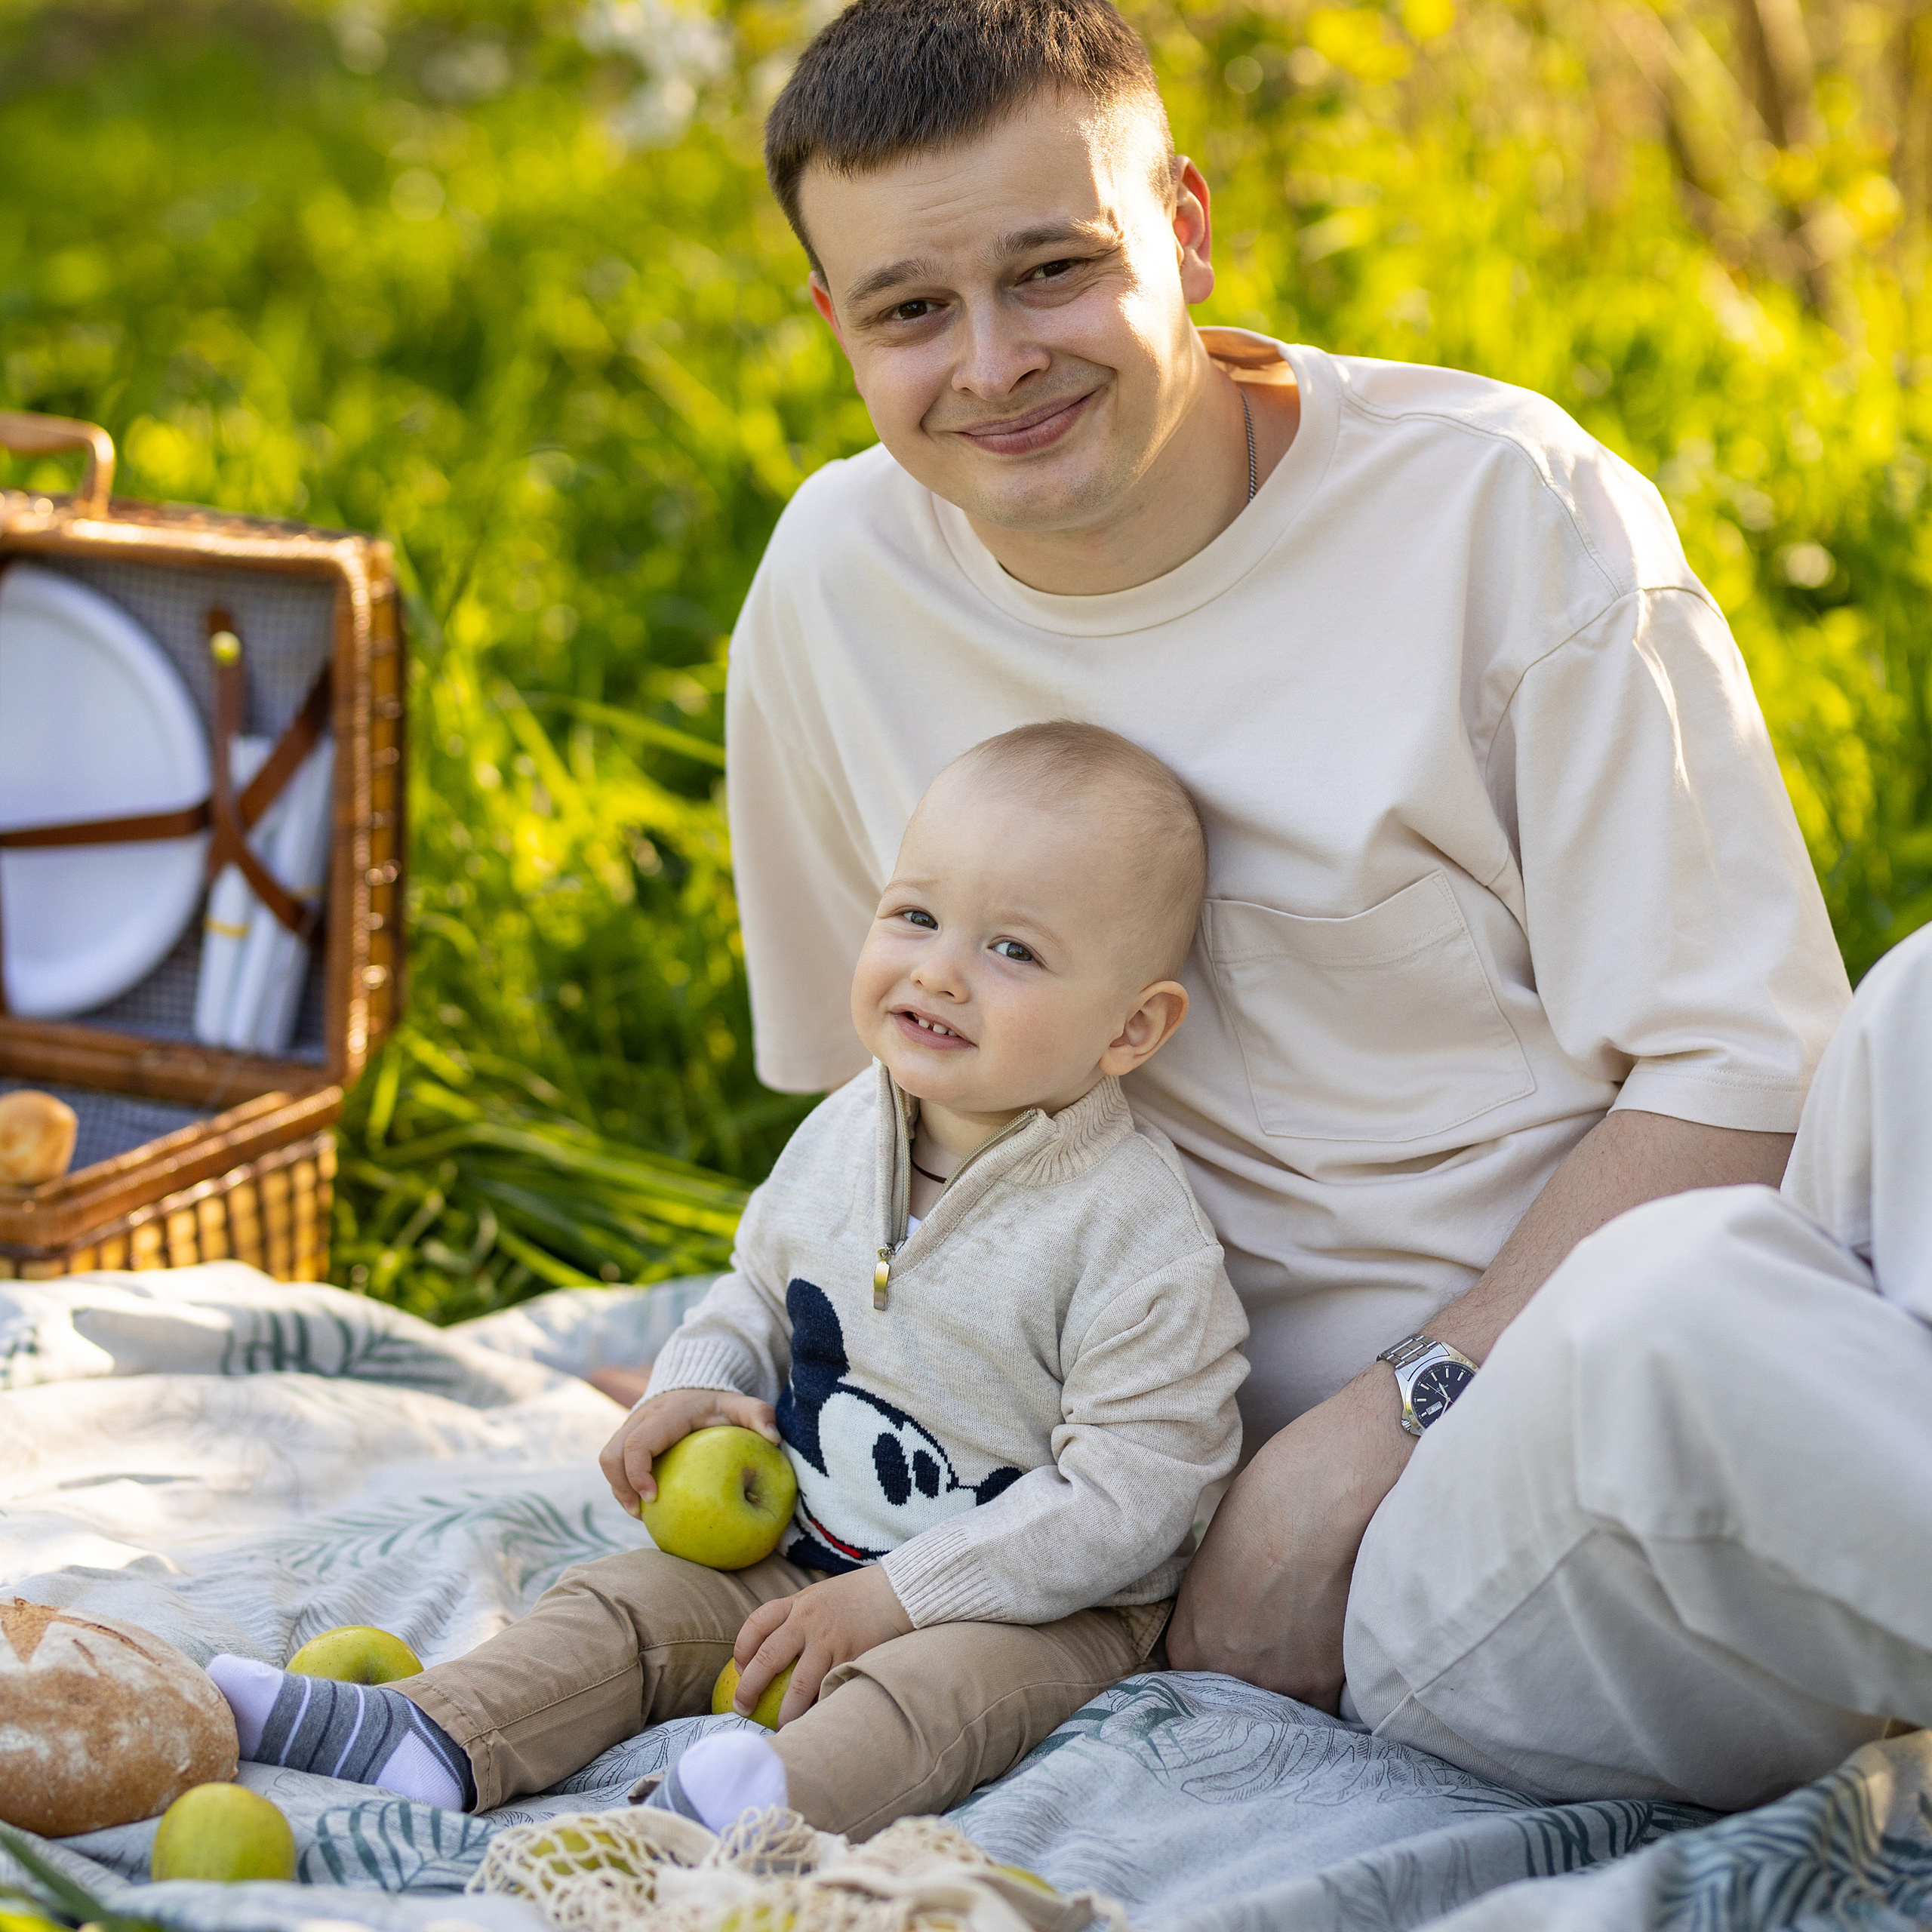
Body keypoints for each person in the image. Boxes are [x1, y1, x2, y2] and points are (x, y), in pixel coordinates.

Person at [724, 0, 1866, 1810]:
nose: (996, 361)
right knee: (1683, 1324)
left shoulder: (1497, 509)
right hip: (1365, 1539)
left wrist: (1381, 1416)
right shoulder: (834, 587)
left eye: (1052, 270)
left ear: (1178, 228)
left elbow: (1749, 1067)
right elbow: (854, 1114)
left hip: (1474, 1384)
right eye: (910, 310)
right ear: (836, 328)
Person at [204, 722, 1250, 1838]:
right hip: (803, 1540)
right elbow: (757, 1287)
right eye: (916, 916)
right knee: (623, 1606)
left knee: (923, 1701)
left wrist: (900, 1600)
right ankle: (434, 1733)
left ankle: (749, 1819)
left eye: (1014, 951)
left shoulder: (1134, 1236)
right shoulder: (853, 1128)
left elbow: (1136, 1497)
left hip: (1032, 1608)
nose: (939, 969)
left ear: (1133, 1027)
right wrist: (690, 1383)